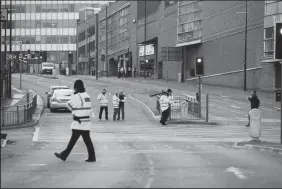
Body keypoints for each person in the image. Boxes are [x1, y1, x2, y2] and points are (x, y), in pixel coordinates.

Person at [54, 79, 96, 162]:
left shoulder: (76, 96)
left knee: (73, 141)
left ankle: (63, 155)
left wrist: (74, 110)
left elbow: (68, 105)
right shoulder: (87, 95)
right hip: (86, 121)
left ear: (76, 87)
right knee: (87, 140)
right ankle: (92, 157)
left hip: (78, 122)